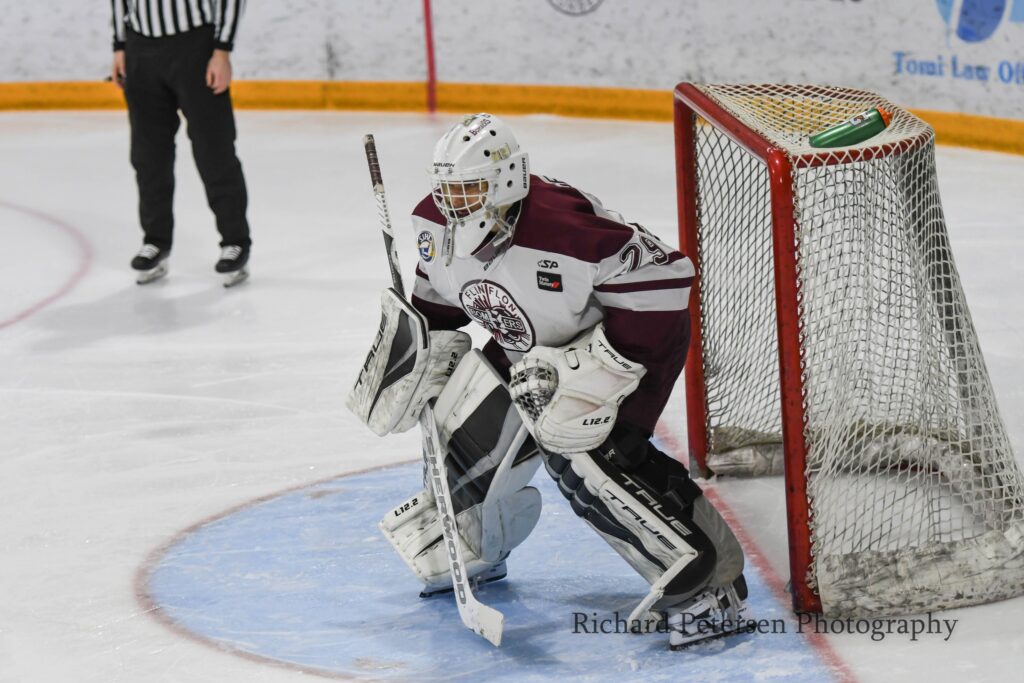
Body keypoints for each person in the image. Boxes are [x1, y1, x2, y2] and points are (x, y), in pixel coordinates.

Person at [348, 113, 747, 649]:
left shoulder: (565, 231)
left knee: (583, 450)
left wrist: (606, 379)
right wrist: (419, 348)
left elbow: (667, 284)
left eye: (467, 190)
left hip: (613, 345)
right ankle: (474, 546)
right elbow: (439, 303)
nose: (452, 204)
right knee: (465, 426)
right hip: (526, 348)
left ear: (506, 182)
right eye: (446, 190)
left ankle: (704, 588)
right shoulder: (434, 224)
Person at [110, 0, 252, 287]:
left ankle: (234, 241)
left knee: (214, 150)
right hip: (140, 47)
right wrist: (120, 45)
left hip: (195, 46)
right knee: (148, 156)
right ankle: (155, 241)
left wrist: (222, 49)